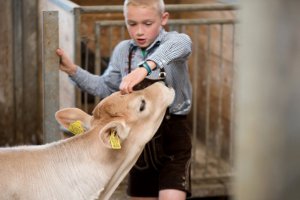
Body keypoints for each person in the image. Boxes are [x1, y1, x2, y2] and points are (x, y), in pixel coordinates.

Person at [56, 0, 192, 199]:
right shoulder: (123, 51)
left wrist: (144, 69)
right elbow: (105, 86)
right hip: (136, 140)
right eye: (132, 23)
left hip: (172, 135)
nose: (139, 32)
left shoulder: (173, 42)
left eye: (147, 23)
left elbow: (183, 43)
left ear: (163, 19)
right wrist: (73, 71)